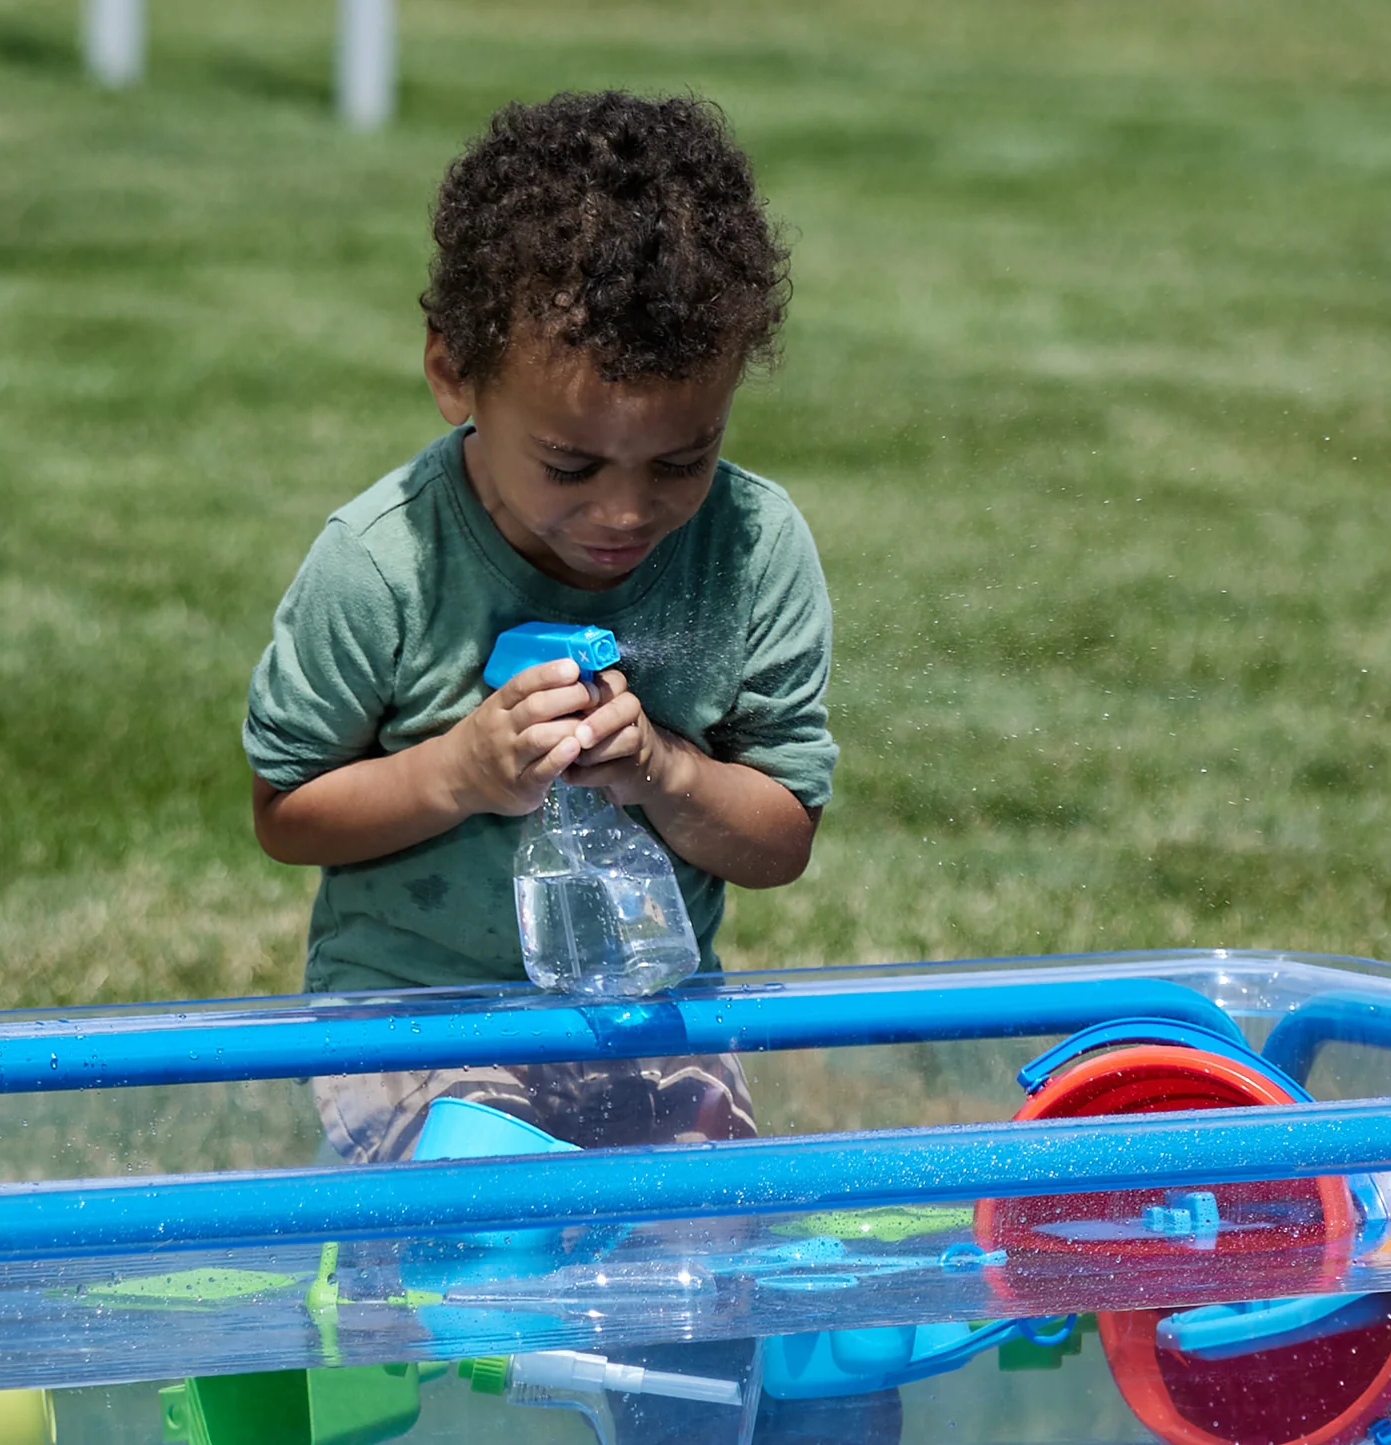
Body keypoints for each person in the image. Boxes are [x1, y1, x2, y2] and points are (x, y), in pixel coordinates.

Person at [244, 91, 889, 1441]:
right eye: (571, 461)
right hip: (420, 1032)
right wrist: (458, 774)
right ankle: (393, 1300)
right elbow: (287, 812)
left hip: (647, 1025)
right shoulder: (381, 565)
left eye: (682, 461)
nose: (624, 511)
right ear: (450, 374)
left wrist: (662, 770)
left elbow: (779, 836)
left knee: (734, 1272)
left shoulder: (757, 552)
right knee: (492, 1227)